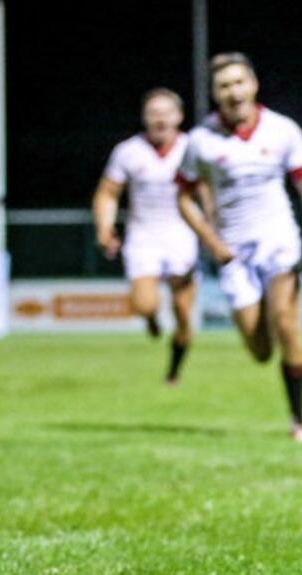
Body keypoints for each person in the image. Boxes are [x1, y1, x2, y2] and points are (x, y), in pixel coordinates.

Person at [176, 52, 302, 443]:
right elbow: (183, 197)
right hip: (234, 253)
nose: (233, 91)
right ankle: (266, 326)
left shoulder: (283, 130)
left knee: (286, 323)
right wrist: (212, 242)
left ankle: (299, 420)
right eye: (224, 85)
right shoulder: (200, 141)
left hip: (279, 241)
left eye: (239, 82)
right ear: (215, 94)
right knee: (260, 350)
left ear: (254, 85)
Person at [93, 87, 198, 385]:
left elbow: (209, 191)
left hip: (182, 232)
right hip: (143, 235)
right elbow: (108, 193)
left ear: (179, 116)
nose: (160, 119)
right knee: (144, 304)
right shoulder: (128, 151)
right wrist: (105, 228)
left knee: (182, 311)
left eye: (166, 113)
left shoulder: (192, 148)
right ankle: (151, 318)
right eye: (154, 113)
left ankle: (174, 371)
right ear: (144, 118)